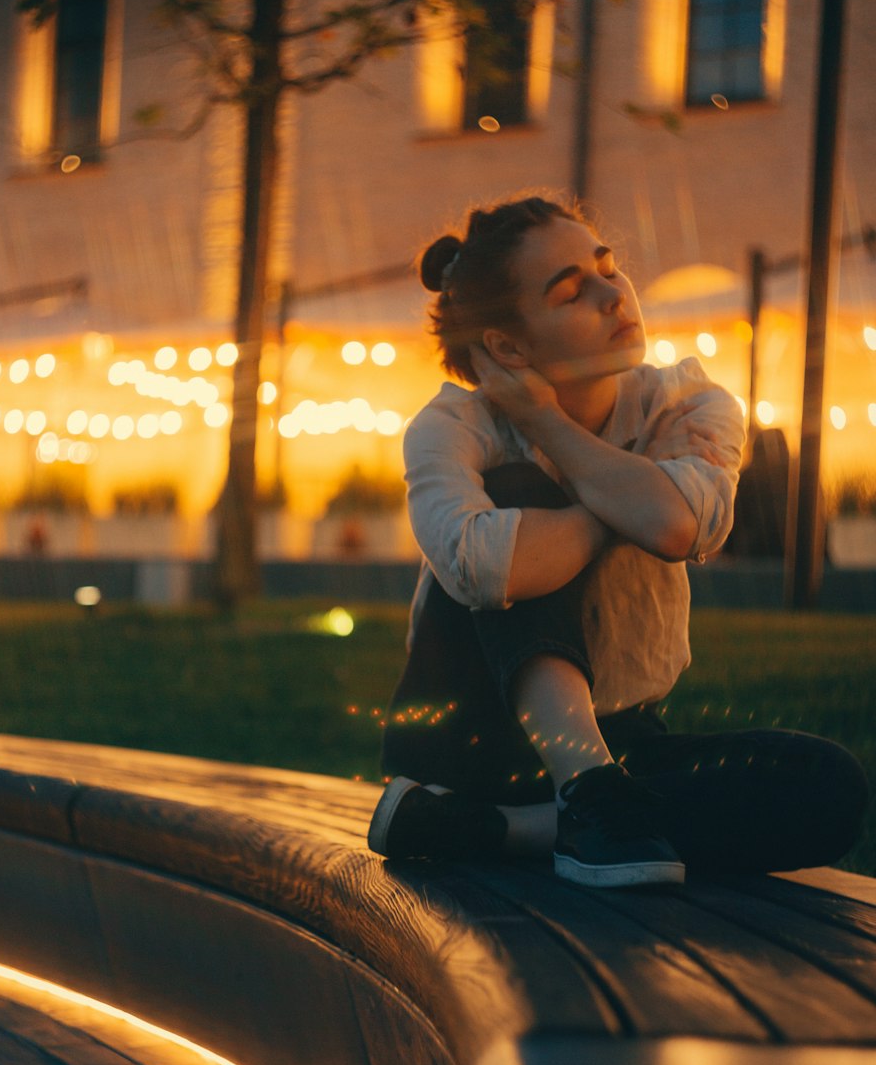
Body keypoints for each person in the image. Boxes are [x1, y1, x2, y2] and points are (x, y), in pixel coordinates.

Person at [367, 195, 868, 887]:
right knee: (516, 495)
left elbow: (686, 527)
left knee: (826, 786)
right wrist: (611, 491)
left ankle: (509, 828)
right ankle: (584, 785)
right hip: (470, 746)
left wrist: (557, 434)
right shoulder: (453, 428)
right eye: (572, 292)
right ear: (508, 348)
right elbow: (487, 567)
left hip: (626, 735)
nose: (612, 294)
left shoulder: (686, 404)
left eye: (607, 268)